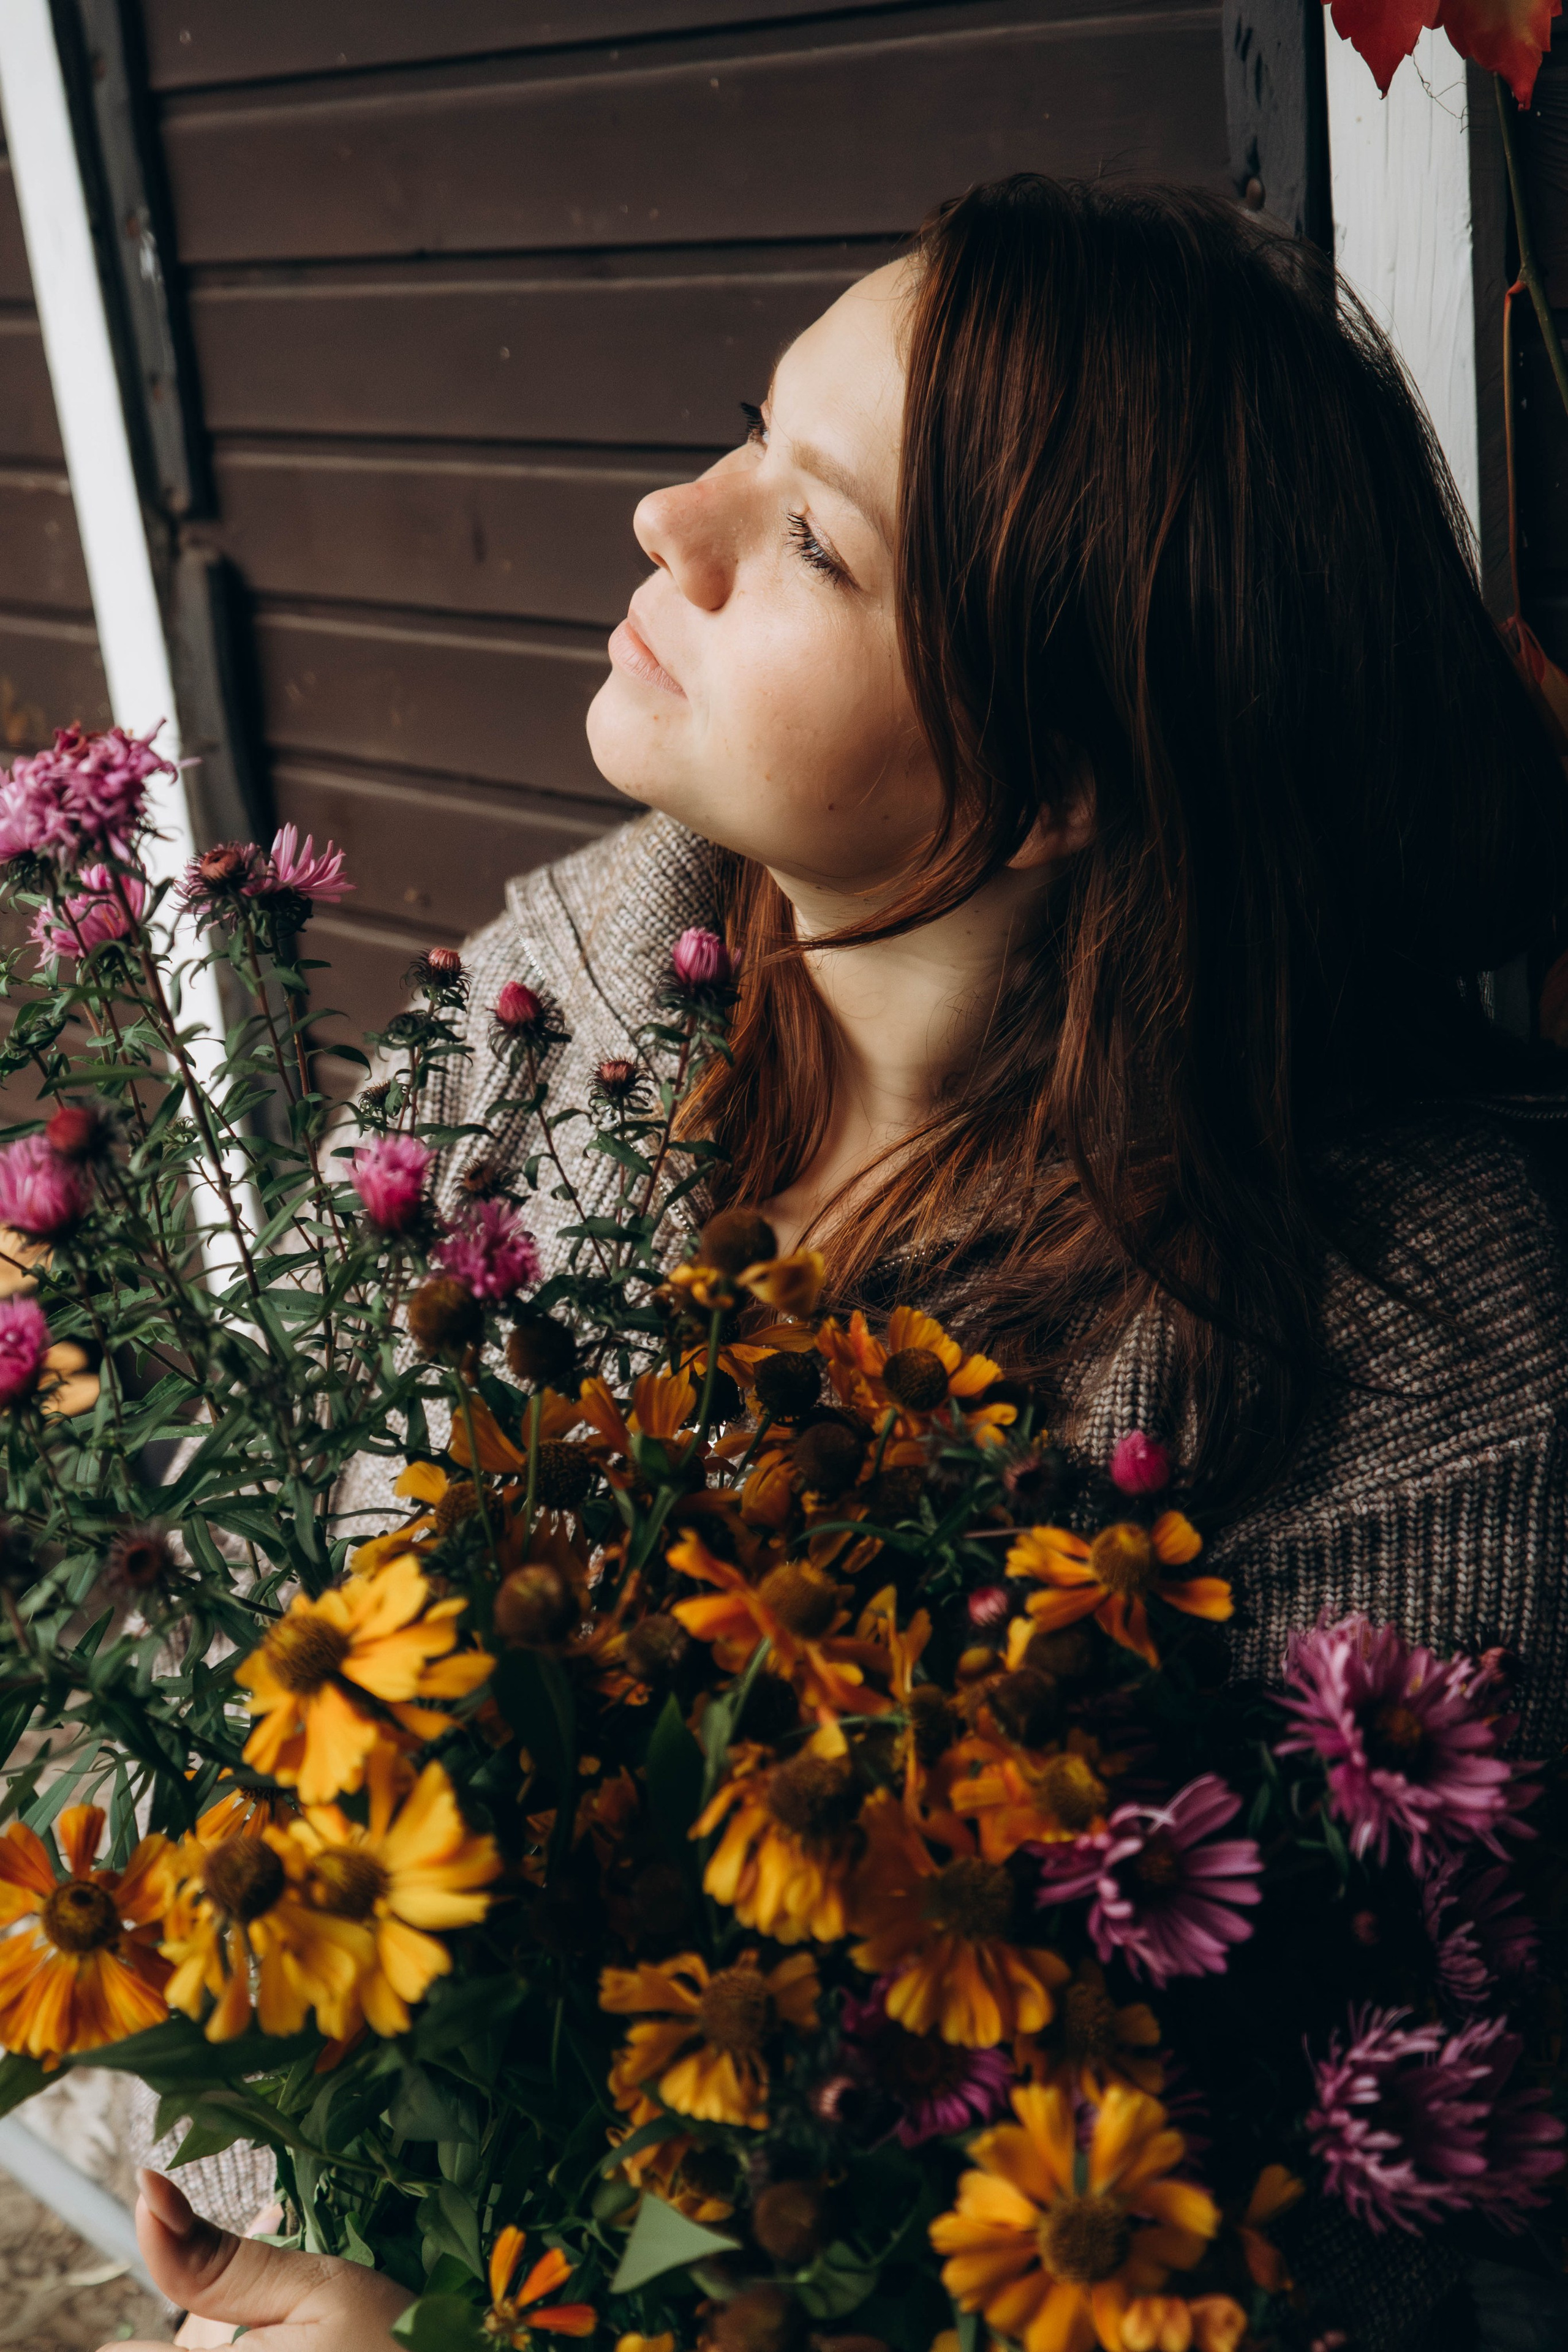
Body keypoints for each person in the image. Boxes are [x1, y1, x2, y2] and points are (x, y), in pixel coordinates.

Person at [115, 175, 1568, 2352]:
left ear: (1065, 764)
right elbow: (246, 1654)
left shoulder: (1415, 1364)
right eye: (746, 434)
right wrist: (288, 2229)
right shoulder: (569, 996)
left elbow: (1324, 2245)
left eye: (810, 538)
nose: (664, 523)